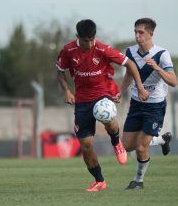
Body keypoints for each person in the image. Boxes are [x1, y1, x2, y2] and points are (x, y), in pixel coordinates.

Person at [56, 19, 149, 192]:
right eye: (86, 40)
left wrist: (140, 87)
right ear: (78, 37)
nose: (90, 43)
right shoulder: (68, 50)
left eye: (92, 39)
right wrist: (67, 91)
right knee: (86, 145)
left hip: (103, 92)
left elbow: (130, 64)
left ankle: (116, 142)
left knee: (105, 114)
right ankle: (99, 181)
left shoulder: (103, 49)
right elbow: (60, 72)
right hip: (82, 100)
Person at [120, 18, 177, 190]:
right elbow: (129, 75)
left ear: (151, 33)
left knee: (140, 146)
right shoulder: (129, 52)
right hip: (137, 104)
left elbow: (173, 81)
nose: (137, 35)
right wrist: (119, 91)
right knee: (127, 146)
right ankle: (162, 140)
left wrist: (158, 69)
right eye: (135, 32)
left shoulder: (162, 54)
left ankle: (138, 181)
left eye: (141, 32)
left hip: (155, 106)